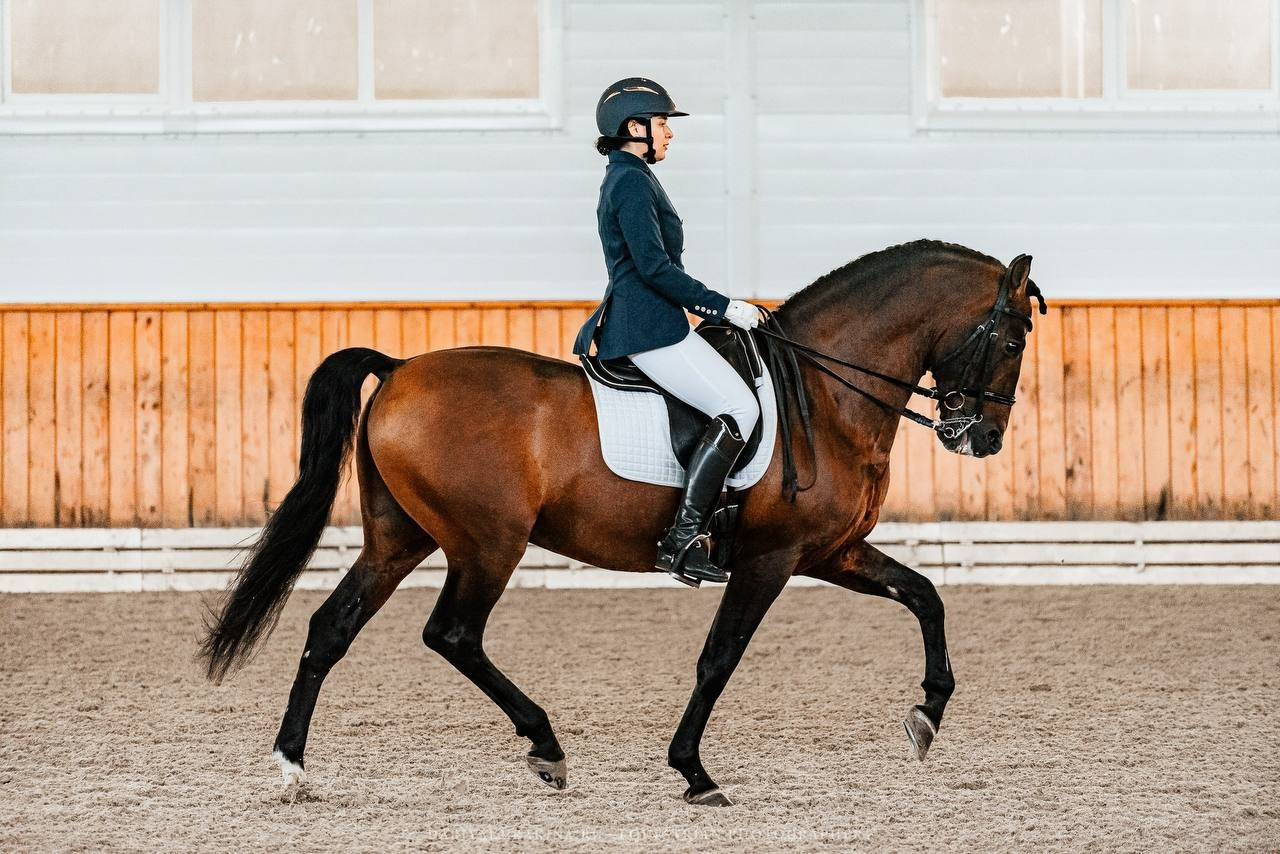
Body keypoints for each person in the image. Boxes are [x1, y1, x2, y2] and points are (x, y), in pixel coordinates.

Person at [572, 77, 762, 587]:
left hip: (654, 321)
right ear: (635, 128)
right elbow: (655, 268)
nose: (670, 133)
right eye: (662, 124)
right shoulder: (630, 181)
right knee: (741, 408)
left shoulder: (629, 175)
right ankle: (682, 539)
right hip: (648, 328)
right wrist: (724, 307)